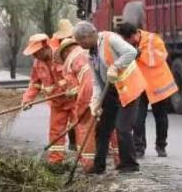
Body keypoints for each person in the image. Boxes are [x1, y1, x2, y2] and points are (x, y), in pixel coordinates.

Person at [73, 21, 145, 174]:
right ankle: (98, 166)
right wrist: (95, 103)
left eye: (81, 41)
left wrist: (115, 66)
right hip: (111, 91)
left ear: (89, 36)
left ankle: (130, 165)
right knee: (103, 128)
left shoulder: (109, 39)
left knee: (122, 127)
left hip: (128, 88)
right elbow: (97, 82)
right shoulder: (90, 54)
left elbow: (131, 52)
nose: (80, 45)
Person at [55, 37, 120, 172]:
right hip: (106, 88)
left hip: (89, 91)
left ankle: (89, 164)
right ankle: (120, 160)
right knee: (111, 126)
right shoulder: (90, 51)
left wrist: (76, 106)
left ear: (65, 52)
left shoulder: (68, 63)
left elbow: (74, 88)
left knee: (85, 126)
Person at [116, 22, 177, 158]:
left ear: (133, 35)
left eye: (127, 40)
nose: (126, 43)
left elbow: (159, 57)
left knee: (161, 118)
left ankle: (161, 145)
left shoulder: (153, 39)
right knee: (138, 119)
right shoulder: (127, 45)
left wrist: (139, 54)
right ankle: (139, 148)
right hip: (139, 85)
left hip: (158, 85)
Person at [21, 33, 76, 166]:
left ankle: (86, 163)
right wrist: (27, 99)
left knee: (81, 130)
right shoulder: (38, 64)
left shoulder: (63, 55)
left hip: (75, 101)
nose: (35, 56)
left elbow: (79, 74)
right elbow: (35, 83)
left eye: (37, 52)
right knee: (55, 133)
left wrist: (74, 87)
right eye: (33, 53)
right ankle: (56, 162)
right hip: (57, 103)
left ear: (45, 47)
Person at [50, 18, 77, 150]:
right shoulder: (55, 53)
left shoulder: (80, 49)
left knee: (79, 122)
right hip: (61, 97)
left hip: (76, 95)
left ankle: (85, 152)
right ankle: (68, 149)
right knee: (59, 127)